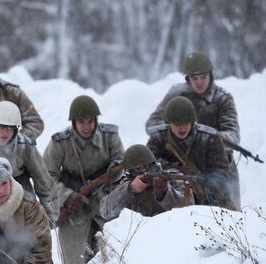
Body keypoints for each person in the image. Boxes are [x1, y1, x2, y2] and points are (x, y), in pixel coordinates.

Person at [145, 51, 241, 209]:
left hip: (219, 164)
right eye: (194, 78)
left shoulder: (222, 98)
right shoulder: (177, 94)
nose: (199, 83)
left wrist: (203, 136)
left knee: (230, 216)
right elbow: (152, 125)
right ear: (187, 78)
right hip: (179, 164)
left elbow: (233, 136)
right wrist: (176, 127)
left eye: (203, 77)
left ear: (210, 76)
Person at [43, 95, 124, 264]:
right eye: (81, 122)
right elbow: (46, 177)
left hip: (105, 201)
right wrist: (67, 197)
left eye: (90, 121)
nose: (86, 127)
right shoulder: (60, 142)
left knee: (117, 257)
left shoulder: (110, 137)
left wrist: (113, 174)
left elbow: (121, 165)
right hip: (73, 207)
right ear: (73, 122)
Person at [147, 96, 234, 210]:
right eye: (177, 124)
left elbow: (220, 173)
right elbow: (149, 165)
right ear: (169, 123)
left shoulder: (209, 137)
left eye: (186, 123)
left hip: (207, 199)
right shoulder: (158, 138)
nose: (182, 128)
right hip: (169, 195)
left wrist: (203, 186)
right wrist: (176, 170)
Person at [100, 144, 194, 221]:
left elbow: (189, 209)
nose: (143, 170)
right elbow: (105, 212)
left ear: (153, 163)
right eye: (138, 168)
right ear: (131, 171)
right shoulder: (126, 184)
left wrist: (164, 191)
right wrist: (130, 189)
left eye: (146, 166)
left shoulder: (171, 177)